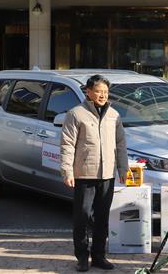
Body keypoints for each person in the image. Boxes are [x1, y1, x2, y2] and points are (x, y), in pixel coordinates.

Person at [60, 75, 129, 272]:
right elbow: (67, 145)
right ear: (88, 92)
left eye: (105, 92)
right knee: (82, 216)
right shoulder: (76, 114)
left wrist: (123, 169)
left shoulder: (114, 115)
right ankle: (82, 256)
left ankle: (99, 256)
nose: (102, 95)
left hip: (107, 174)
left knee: (102, 217)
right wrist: (67, 171)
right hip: (84, 174)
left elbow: (121, 144)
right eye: (98, 91)